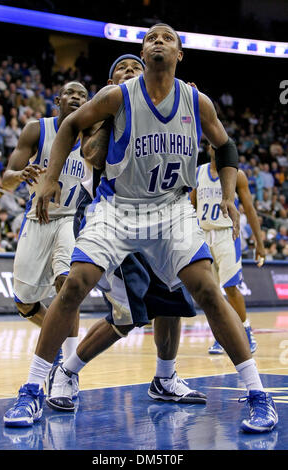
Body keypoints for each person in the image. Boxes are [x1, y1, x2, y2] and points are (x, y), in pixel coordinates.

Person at [4, 24, 278, 433]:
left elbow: (226, 146)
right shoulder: (117, 97)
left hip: (171, 209)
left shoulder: (195, 99)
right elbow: (68, 127)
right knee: (76, 283)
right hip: (118, 207)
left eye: (166, 38)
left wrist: (226, 193)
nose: (157, 42)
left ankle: (258, 394)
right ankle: (31, 389)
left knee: (205, 288)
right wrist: (49, 178)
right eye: (150, 38)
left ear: (179, 54)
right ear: (142, 51)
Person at [74, 53, 205, 407]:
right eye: (123, 70)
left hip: (159, 217)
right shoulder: (104, 108)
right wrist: (112, 113)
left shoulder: (168, 102)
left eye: (136, 68)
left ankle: (165, 377)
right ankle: (68, 371)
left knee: (171, 301)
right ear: (111, 81)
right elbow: (92, 156)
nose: (132, 72)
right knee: (129, 314)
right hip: (113, 217)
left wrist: (183, 115)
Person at [1, 81, 88, 384]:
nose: (76, 98)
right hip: (36, 219)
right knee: (24, 303)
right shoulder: (36, 130)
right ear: (57, 100)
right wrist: (19, 174)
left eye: (82, 95)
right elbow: (7, 180)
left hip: (69, 219)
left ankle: (68, 370)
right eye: (71, 93)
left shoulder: (92, 138)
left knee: (67, 283)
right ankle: (60, 346)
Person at [190, 145, 266, 354]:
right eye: (214, 145)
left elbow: (249, 209)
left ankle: (246, 332)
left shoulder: (237, 175)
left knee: (231, 288)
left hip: (226, 235)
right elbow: (191, 206)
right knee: (211, 293)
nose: (217, 148)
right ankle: (221, 337)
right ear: (209, 148)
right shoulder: (198, 172)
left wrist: (259, 244)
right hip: (203, 235)